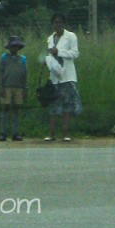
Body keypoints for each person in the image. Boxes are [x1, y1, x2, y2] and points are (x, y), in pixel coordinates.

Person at [40, 13, 82, 142]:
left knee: (67, 105)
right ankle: (52, 134)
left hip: (67, 76)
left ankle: (65, 134)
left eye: (60, 22)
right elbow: (50, 55)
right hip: (55, 77)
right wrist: (46, 60)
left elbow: (75, 54)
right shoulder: (50, 38)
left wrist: (60, 52)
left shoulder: (71, 36)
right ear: (52, 24)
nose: (57, 25)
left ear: (64, 24)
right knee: (53, 105)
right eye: (55, 22)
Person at [0, 35, 27, 141]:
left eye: (16, 46)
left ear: (19, 48)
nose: (14, 48)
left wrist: (25, 88)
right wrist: (1, 87)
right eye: (13, 46)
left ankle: (15, 133)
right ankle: (3, 133)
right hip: (6, 87)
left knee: (16, 110)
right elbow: (0, 73)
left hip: (19, 87)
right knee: (5, 108)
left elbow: (25, 75)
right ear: (9, 47)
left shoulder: (23, 59)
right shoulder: (4, 58)